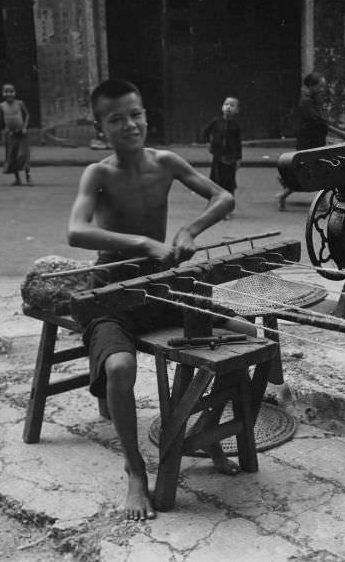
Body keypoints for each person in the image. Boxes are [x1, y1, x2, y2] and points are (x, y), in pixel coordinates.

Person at [67, 79, 241, 521]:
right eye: (116, 119)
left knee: (244, 333)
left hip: (161, 284)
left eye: (136, 114)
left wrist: (189, 231)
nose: (130, 125)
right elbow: (76, 231)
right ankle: (134, 470)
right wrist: (145, 243)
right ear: (101, 128)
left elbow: (223, 197)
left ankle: (204, 433)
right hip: (113, 291)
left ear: (146, 115)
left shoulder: (165, 162)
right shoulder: (99, 173)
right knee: (119, 367)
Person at [275, 72, 345, 211]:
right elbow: (318, 121)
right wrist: (340, 133)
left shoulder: (312, 99)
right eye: (320, 86)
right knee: (313, 171)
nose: (322, 89)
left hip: (315, 140)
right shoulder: (306, 101)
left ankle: (317, 201)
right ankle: (286, 193)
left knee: (314, 171)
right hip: (309, 142)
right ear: (311, 86)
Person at [201, 96, 242, 219]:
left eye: (232, 105)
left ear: (237, 110)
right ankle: (213, 207)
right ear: (222, 107)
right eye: (226, 104)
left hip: (230, 159)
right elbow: (205, 133)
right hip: (217, 158)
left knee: (229, 185)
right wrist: (209, 143)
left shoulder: (236, 126)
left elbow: (238, 144)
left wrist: (238, 159)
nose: (228, 107)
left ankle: (228, 209)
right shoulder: (216, 122)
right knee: (215, 183)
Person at [0, 83, 32, 186]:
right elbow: (0, 121)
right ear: (2, 93)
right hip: (10, 134)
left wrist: (25, 127)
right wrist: (0, 135)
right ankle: (17, 179)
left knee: (24, 155)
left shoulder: (19, 103)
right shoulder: (1, 106)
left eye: (11, 91)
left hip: (21, 133)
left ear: (15, 92)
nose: (9, 94)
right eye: (6, 91)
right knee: (12, 156)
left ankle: (28, 177)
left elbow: (27, 115)